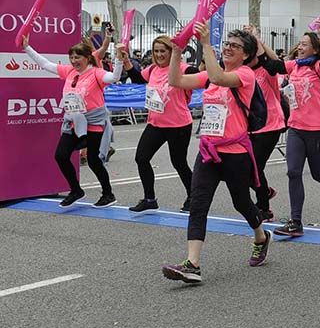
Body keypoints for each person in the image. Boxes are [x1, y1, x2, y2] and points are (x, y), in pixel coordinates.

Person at [161, 24, 272, 284]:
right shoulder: (211, 76)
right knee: (198, 204)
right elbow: (175, 81)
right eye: (226, 44)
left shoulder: (245, 75)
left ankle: (261, 237)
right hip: (209, 152)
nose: (228, 49)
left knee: (241, 202)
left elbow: (220, 77)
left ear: (246, 55)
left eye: (234, 46)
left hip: (235, 153)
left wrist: (206, 43)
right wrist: (177, 51)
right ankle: (193, 264)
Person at [24, 35, 122, 207]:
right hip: (73, 121)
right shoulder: (69, 71)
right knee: (61, 156)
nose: (74, 60)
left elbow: (114, 78)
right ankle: (76, 190)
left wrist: (119, 60)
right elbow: (45, 64)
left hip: (93, 121)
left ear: (87, 58)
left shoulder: (96, 73)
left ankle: (108, 194)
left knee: (93, 160)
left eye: (78, 57)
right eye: (72, 57)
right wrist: (27, 47)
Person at [273, 18, 320, 237]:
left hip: (317, 129)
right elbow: (270, 63)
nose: (300, 47)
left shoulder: (319, 68)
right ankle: (296, 222)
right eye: (300, 43)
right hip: (295, 128)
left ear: (313, 48)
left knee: (318, 173)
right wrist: (257, 40)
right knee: (293, 172)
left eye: (305, 44)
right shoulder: (294, 66)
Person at [120, 35, 197, 213]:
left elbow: (203, 75)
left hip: (178, 124)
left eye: (163, 51)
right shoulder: (153, 69)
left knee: (178, 163)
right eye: (156, 51)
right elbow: (138, 78)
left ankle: (194, 197)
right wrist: (126, 62)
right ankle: (149, 199)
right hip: (155, 123)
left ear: (172, 52)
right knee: (141, 158)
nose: (159, 54)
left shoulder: (184, 69)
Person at [244, 25, 286, 222]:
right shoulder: (241, 72)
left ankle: (264, 208)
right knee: (244, 168)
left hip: (271, 124)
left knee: (254, 167)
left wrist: (257, 39)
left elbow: (274, 61)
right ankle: (265, 191)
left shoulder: (266, 70)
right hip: (249, 126)